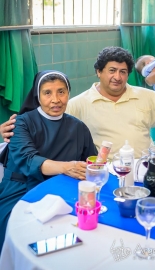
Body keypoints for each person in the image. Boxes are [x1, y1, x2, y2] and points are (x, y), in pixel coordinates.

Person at [0, 47, 155, 159]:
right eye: (112, 70)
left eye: (123, 72)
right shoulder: (78, 104)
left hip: (144, 168)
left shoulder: (145, 97)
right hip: (105, 173)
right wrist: (11, 130)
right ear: (98, 72)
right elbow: (45, 123)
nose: (117, 77)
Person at [0, 71, 97, 253]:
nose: (55, 100)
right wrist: (67, 167)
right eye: (47, 93)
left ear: (69, 94)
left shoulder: (79, 128)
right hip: (20, 189)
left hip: (64, 190)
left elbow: (92, 164)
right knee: (25, 236)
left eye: (61, 92)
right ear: (38, 96)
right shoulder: (21, 123)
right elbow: (28, 160)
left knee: (82, 234)